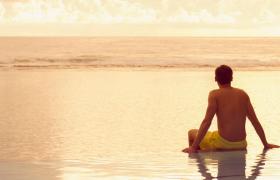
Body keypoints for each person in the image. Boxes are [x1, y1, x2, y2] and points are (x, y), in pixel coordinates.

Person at [182, 65, 279, 153]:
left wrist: (194, 146)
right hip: (241, 144)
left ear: (215, 79)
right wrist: (265, 144)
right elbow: (255, 121)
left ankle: (196, 153)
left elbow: (207, 121)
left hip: (223, 143)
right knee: (213, 134)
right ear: (232, 78)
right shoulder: (242, 94)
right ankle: (208, 150)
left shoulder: (214, 94)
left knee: (192, 132)